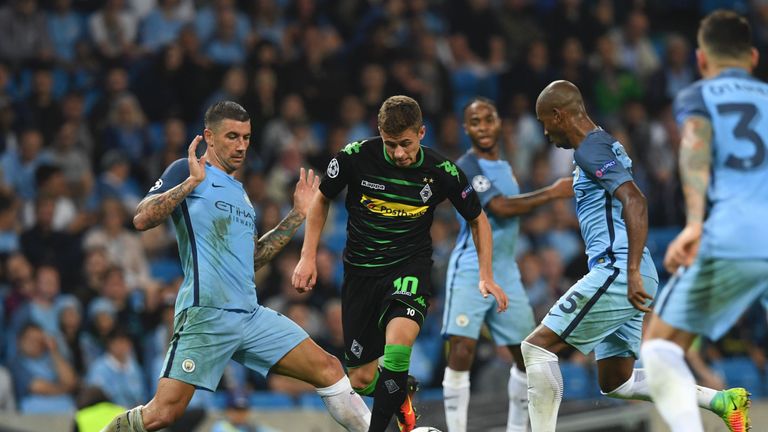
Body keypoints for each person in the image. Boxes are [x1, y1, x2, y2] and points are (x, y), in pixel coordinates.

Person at [101, 101, 370, 432]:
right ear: (209, 137)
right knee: (162, 414)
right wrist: (189, 184)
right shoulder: (187, 169)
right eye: (232, 136)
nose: (241, 145)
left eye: (246, 137)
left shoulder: (241, 195)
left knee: (329, 368)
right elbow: (141, 218)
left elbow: (252, 261)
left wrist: (297, 215)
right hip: (207, 314)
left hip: (250, 314)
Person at [524, 80, 746, 432]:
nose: (545, 132)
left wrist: (630, 271)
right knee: (616, 382)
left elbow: (635, 200)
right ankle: (719, 401)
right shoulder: (603, 143)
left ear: (558, 114)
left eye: (543, 121)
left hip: (617, 269)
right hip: (631, 270)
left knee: (536, 348)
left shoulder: (589, 150)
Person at [293, 95, 508, 432]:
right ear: (380, 133)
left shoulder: (442, 172)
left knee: (398, 346)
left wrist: (486, 274)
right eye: (391, 144)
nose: (399, 153)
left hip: (409, 267)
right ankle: (399, 391)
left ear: (421, 133)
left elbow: (478, 220)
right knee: (362, 379)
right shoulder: (356, 157)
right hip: (361, 274)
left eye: (406, 144)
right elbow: (321, 199)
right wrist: (307, 256)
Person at [641, 10, 762, 432]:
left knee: (658, 348)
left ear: (700, 60)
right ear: (752, 57)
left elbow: (695, 148)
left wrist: (693, 222)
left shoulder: (699, 96)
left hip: (734, 236)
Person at [441, 97, 572, 432]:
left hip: (507, 270)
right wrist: (552, 193)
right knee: (462, 349)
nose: (483, 127)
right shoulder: (467, 166)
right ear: (465, 128)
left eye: (488, 119)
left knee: (526, 356)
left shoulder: (505, 165)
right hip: (471, 265)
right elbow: (498, 207)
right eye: (475, 122)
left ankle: (517, 428)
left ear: (499, 123)